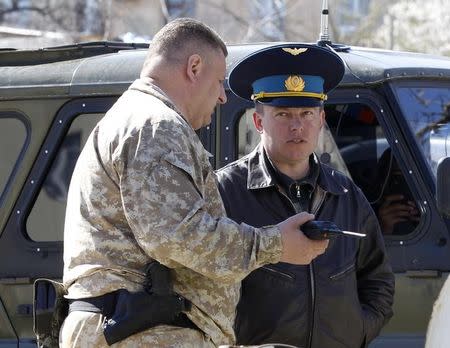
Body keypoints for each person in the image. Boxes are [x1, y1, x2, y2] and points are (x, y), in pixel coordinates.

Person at [60, 19, 329, 347]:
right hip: (147, 332)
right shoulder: (157, 126)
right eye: (219, 82)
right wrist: (276, 244)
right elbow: (179, 237)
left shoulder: (138, 119)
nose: (222, 97)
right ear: (194, 67)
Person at [216, 43, 395, 348]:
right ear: (259, 122)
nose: (297, 125)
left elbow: (378, 280)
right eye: (283, 113)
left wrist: (358, 331)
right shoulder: (225, 191)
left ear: (321, 119)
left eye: (307, 113)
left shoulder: (346, 194)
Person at [371, 148, 420, 235]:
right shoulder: (367, 214)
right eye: (399, 179)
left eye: (416, 180)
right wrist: (383, 229)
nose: (408, 187)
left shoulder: (437, 205)